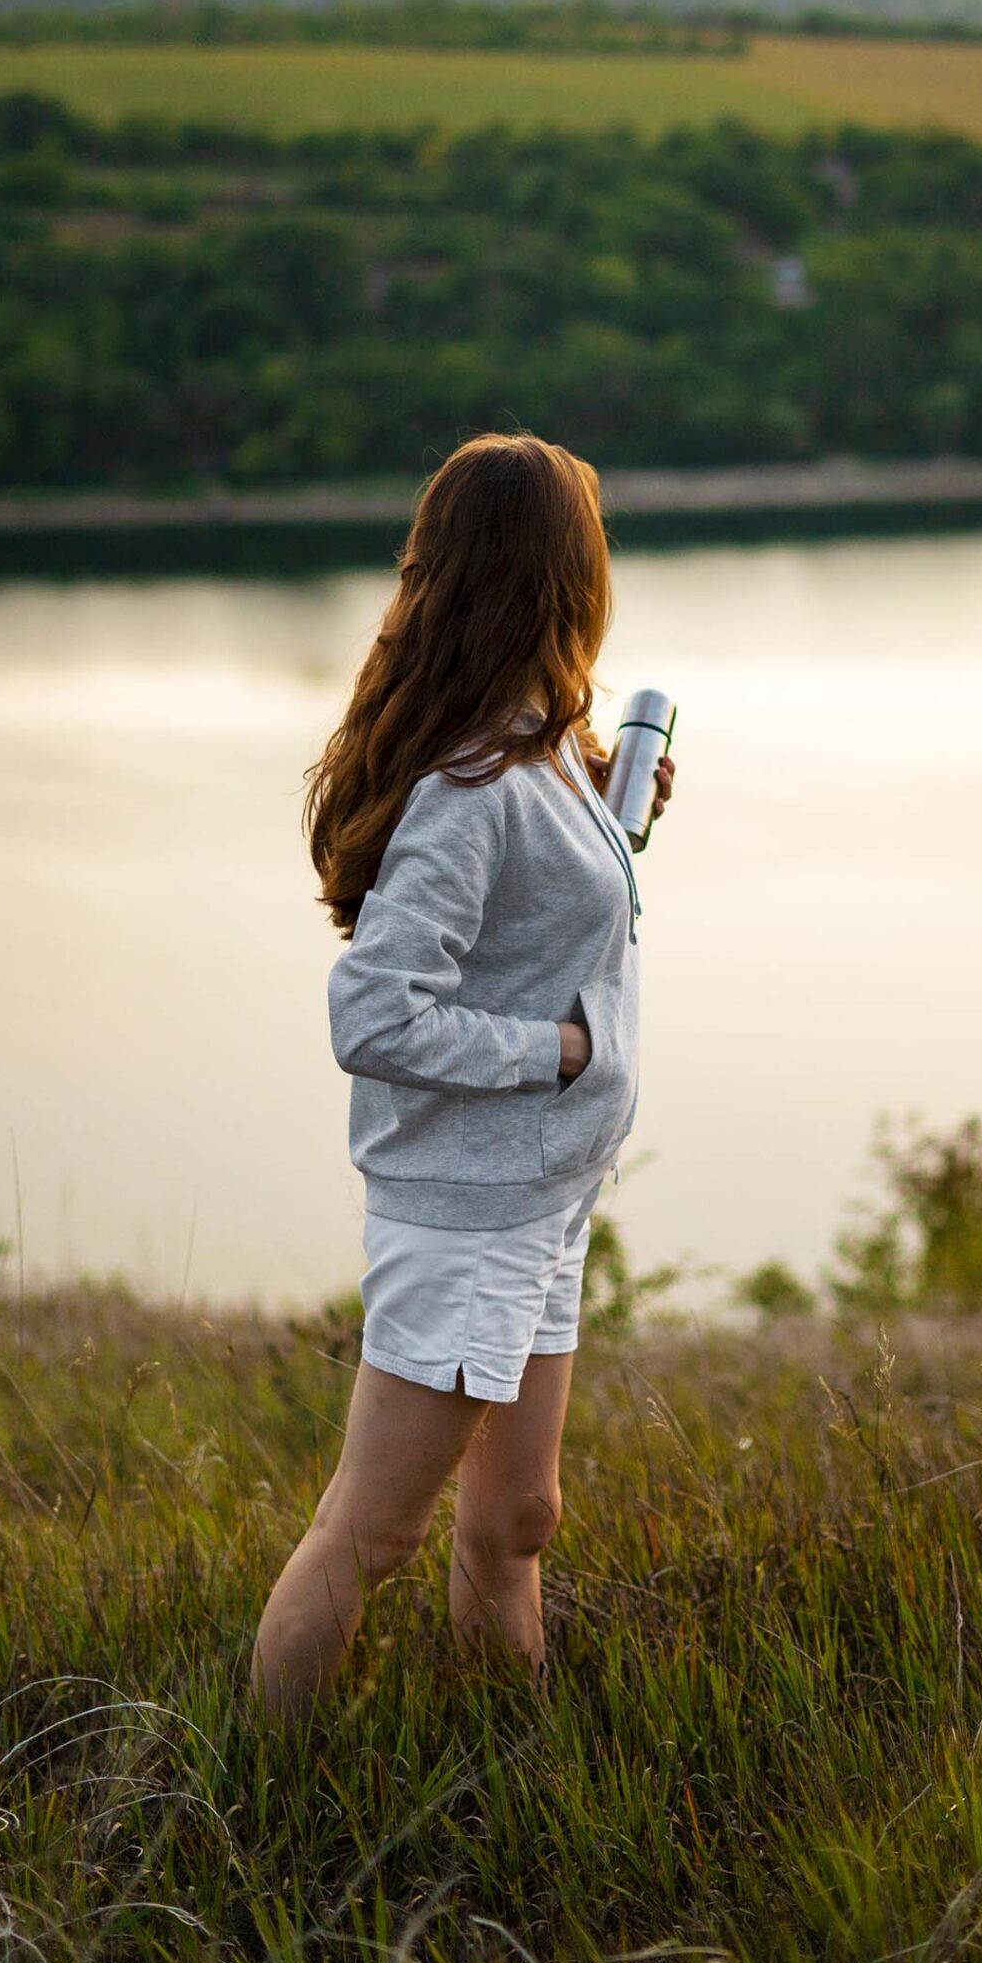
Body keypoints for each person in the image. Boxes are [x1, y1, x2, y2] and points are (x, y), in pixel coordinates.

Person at [252, 433, 674, 1715]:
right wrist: (553, 1053)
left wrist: (611, 816)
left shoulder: (539, 749)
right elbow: (376, 1015)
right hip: (467, 1212)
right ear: (560, 576)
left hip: (542, 1199)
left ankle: (509, 1760)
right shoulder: (470, 783)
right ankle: (256, 1799)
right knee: (368, 1535)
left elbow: (535, 924)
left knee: (519, 1517)